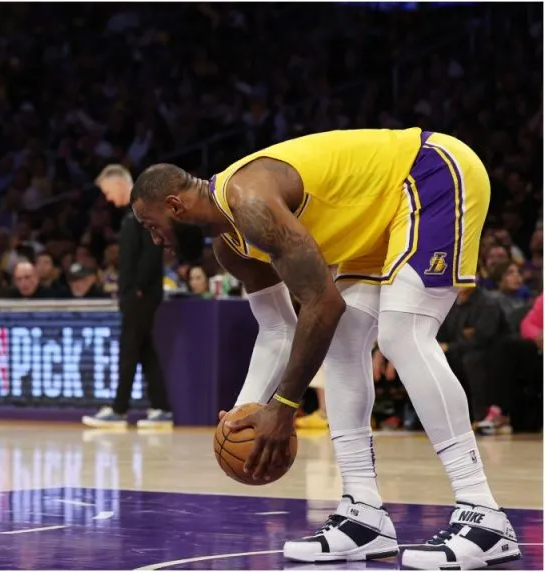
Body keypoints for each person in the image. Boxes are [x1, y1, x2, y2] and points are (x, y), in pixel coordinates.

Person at [130, 128, 519, 569]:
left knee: (402, 332)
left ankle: (483, 515)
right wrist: (245, 411)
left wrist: (283, 405)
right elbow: (277, 328)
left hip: (429, 172)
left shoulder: (251, 201)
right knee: (343, 340)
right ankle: (363, 514)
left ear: (175, 206)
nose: (155, 240)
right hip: (376, 215)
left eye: (151, 226)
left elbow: (322, 303)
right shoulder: (231, 247)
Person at [83, 164, 172, 429]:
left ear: (120, 183)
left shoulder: (144, 208)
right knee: (144, 350)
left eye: (108, 192)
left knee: (129, 350)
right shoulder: (131, 213)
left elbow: (153, 250)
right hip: (136, 293)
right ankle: (162, 408)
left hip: (141, 294)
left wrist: (139, 287)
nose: (108, 198)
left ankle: (119, 410)